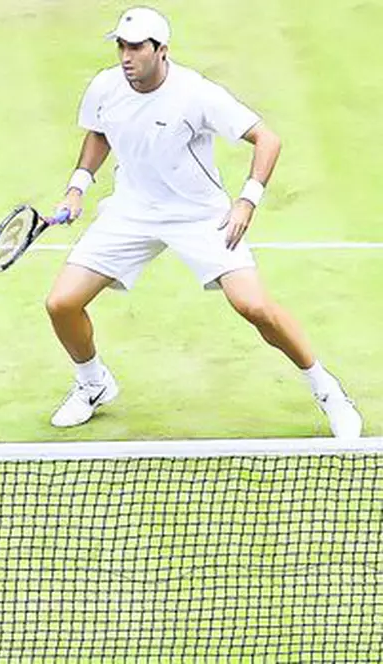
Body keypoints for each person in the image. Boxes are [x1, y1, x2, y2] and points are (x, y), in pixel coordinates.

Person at [45, 7, 362, 437]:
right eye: (121, 45)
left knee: (254, 307)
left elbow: (267, 139)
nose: (126, 56)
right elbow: (99, 132)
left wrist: (247, 202)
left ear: (162, 50)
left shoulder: (196, 93)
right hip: (131, 211)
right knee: (61, 304)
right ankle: (93, 384)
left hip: (198, 215)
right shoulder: (105, 86)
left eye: (136, 47)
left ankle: (328, 391)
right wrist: (78, 186)